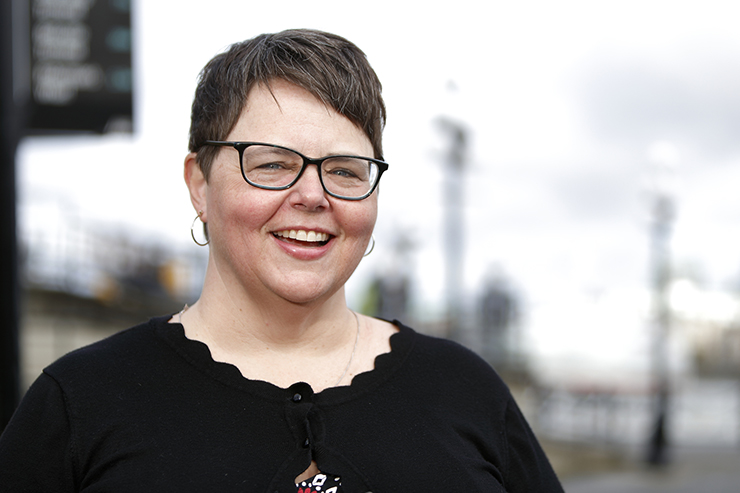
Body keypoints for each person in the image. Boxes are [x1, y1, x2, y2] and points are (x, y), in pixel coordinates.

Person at [0, 29, 563, 492]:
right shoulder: (82, 403)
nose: (314, 196)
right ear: (199, 183)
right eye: (271, 164)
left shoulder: (465, 390)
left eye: (345, 170)